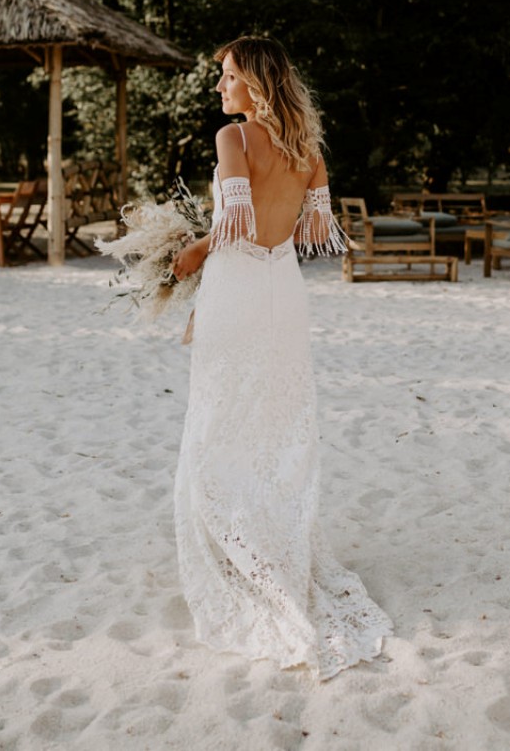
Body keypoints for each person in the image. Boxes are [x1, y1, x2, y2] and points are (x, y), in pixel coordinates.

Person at [168, 36, 392, 680]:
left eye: (228, 77)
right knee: (274, 419)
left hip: (238, 289)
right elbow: (308, 233)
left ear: (256, 84)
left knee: (219, 419)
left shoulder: (231, 140)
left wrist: (194, 250)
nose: (220, 89)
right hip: (283, 293)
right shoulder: (309, 152)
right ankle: (273, 535)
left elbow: (236, 225)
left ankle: (235, 546)